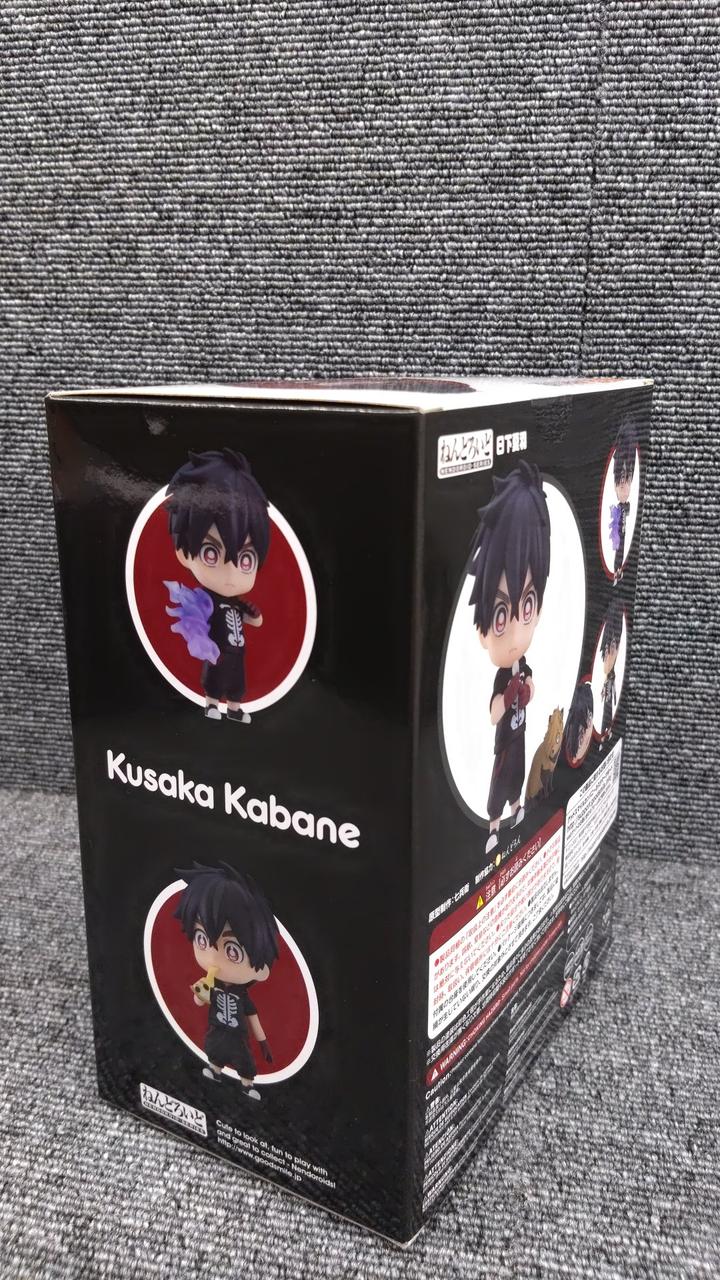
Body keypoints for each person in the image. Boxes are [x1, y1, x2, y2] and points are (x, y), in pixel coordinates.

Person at [468, 461, 551, 855]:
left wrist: (528, 687)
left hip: (520, 738)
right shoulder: (502, 677)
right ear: (483, 629)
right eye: (501, 615)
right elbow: (492, 713)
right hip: (504, 742)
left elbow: (532, 687)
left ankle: (518, 809)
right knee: (498, 782)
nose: (517, 635)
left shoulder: (523, 665)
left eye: (527, 605)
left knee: (517, 776)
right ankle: (493, 826)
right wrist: (509, 695)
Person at [164, 449, 270, 722]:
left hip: (237, 651)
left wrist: (253, 615)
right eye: (211, 553)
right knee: (215, 676)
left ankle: (234, 707)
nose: (231, 574)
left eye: (246, 559)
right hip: (218, 651)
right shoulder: (204, 599)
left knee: (237, 680)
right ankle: (212, 703)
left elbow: (256, 622)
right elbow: (195, 620)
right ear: (184, 554)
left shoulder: (236, 603)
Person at [175, 862, 280, 1100]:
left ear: (261, 970)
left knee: (243, 1059)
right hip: (217, 1030)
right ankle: (214, 1070)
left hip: (237, 1035)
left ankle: (247, 1084)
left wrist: (262, 1042)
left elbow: (252, 1018)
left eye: (232, 950)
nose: (213, 959)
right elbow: (199, 1001)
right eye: (201, 939)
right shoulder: (211, 984)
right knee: (213, 1049)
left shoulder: (242, 996)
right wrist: (200, 993)